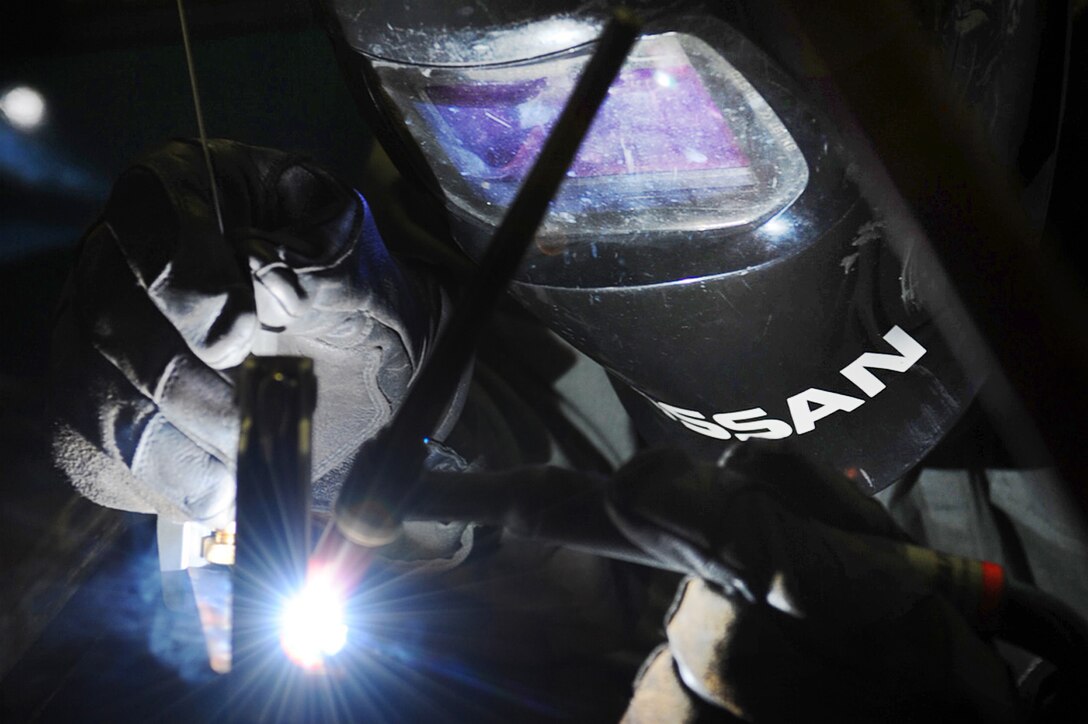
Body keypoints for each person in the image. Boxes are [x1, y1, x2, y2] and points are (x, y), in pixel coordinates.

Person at [49, 0, 1088, 720]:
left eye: (657, 118)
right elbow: (571, 541)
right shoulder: (457, 212)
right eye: (517, 133)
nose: (615, 161)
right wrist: (402, 452)